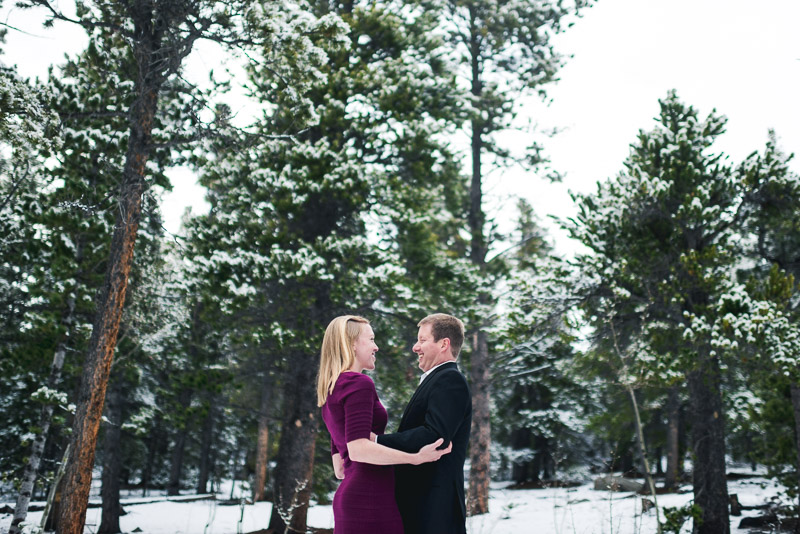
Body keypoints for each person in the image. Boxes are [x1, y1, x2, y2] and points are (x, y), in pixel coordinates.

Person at [317, 315, 452, 534]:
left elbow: (340, 468)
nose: (376, 347)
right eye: (370, 339)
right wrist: (415, 458)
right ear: (351, 344)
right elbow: (359, 450)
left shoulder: (332, 388)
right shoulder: (359, 383)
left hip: (352, 498)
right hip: (370, 499)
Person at [376, 313, 473, 534]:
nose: (415, 347)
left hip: (434, 509)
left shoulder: (450, 379)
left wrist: (377, 441)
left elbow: (435, 436)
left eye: (422, 340)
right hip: (423, 505)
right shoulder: (437, 379)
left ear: (443, 344)